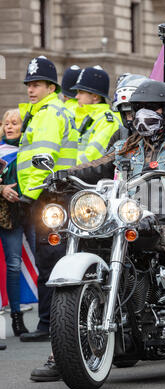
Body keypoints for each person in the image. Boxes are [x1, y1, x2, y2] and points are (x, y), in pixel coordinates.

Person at [31, 80, 165, 384]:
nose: (143, 115)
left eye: (152, 108)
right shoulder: (127, 145)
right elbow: (97, 166)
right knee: (87, 247)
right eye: (139, 109)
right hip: (126, 220)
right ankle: (66, 353)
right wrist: (64, 175)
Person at [17, 56, 79, 342]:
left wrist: (28, 194)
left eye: (37, 84)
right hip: (49, 193)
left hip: (48, 193)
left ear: (51, 87)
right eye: (29, 84)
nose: (31, 89)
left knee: (51, 260)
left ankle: (49, 324)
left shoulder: (50, 113)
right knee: (50, 258)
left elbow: (45, 156)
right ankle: (50, 322)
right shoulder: (43, 111)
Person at [0, 108, 35, 336]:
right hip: (3, 210)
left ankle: (16, 318)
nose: (10, 126)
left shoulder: (28, 150)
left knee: (13, 265)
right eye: (6, 123)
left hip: (16, 216)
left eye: (15, 122)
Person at [71, 66, 121, 165]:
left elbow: (92, 156)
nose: (76, 97)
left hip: (86, 177)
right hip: (74, 175)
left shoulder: (107, 122)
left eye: (81, 92)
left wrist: (64, 169)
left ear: (95, 96)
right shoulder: (81, 116)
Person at [107, 73, 148, 148]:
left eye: (135, 114)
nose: (131, 119)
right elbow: (107, 156)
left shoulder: (157, 137)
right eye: (128, 114)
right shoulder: (120, 134)